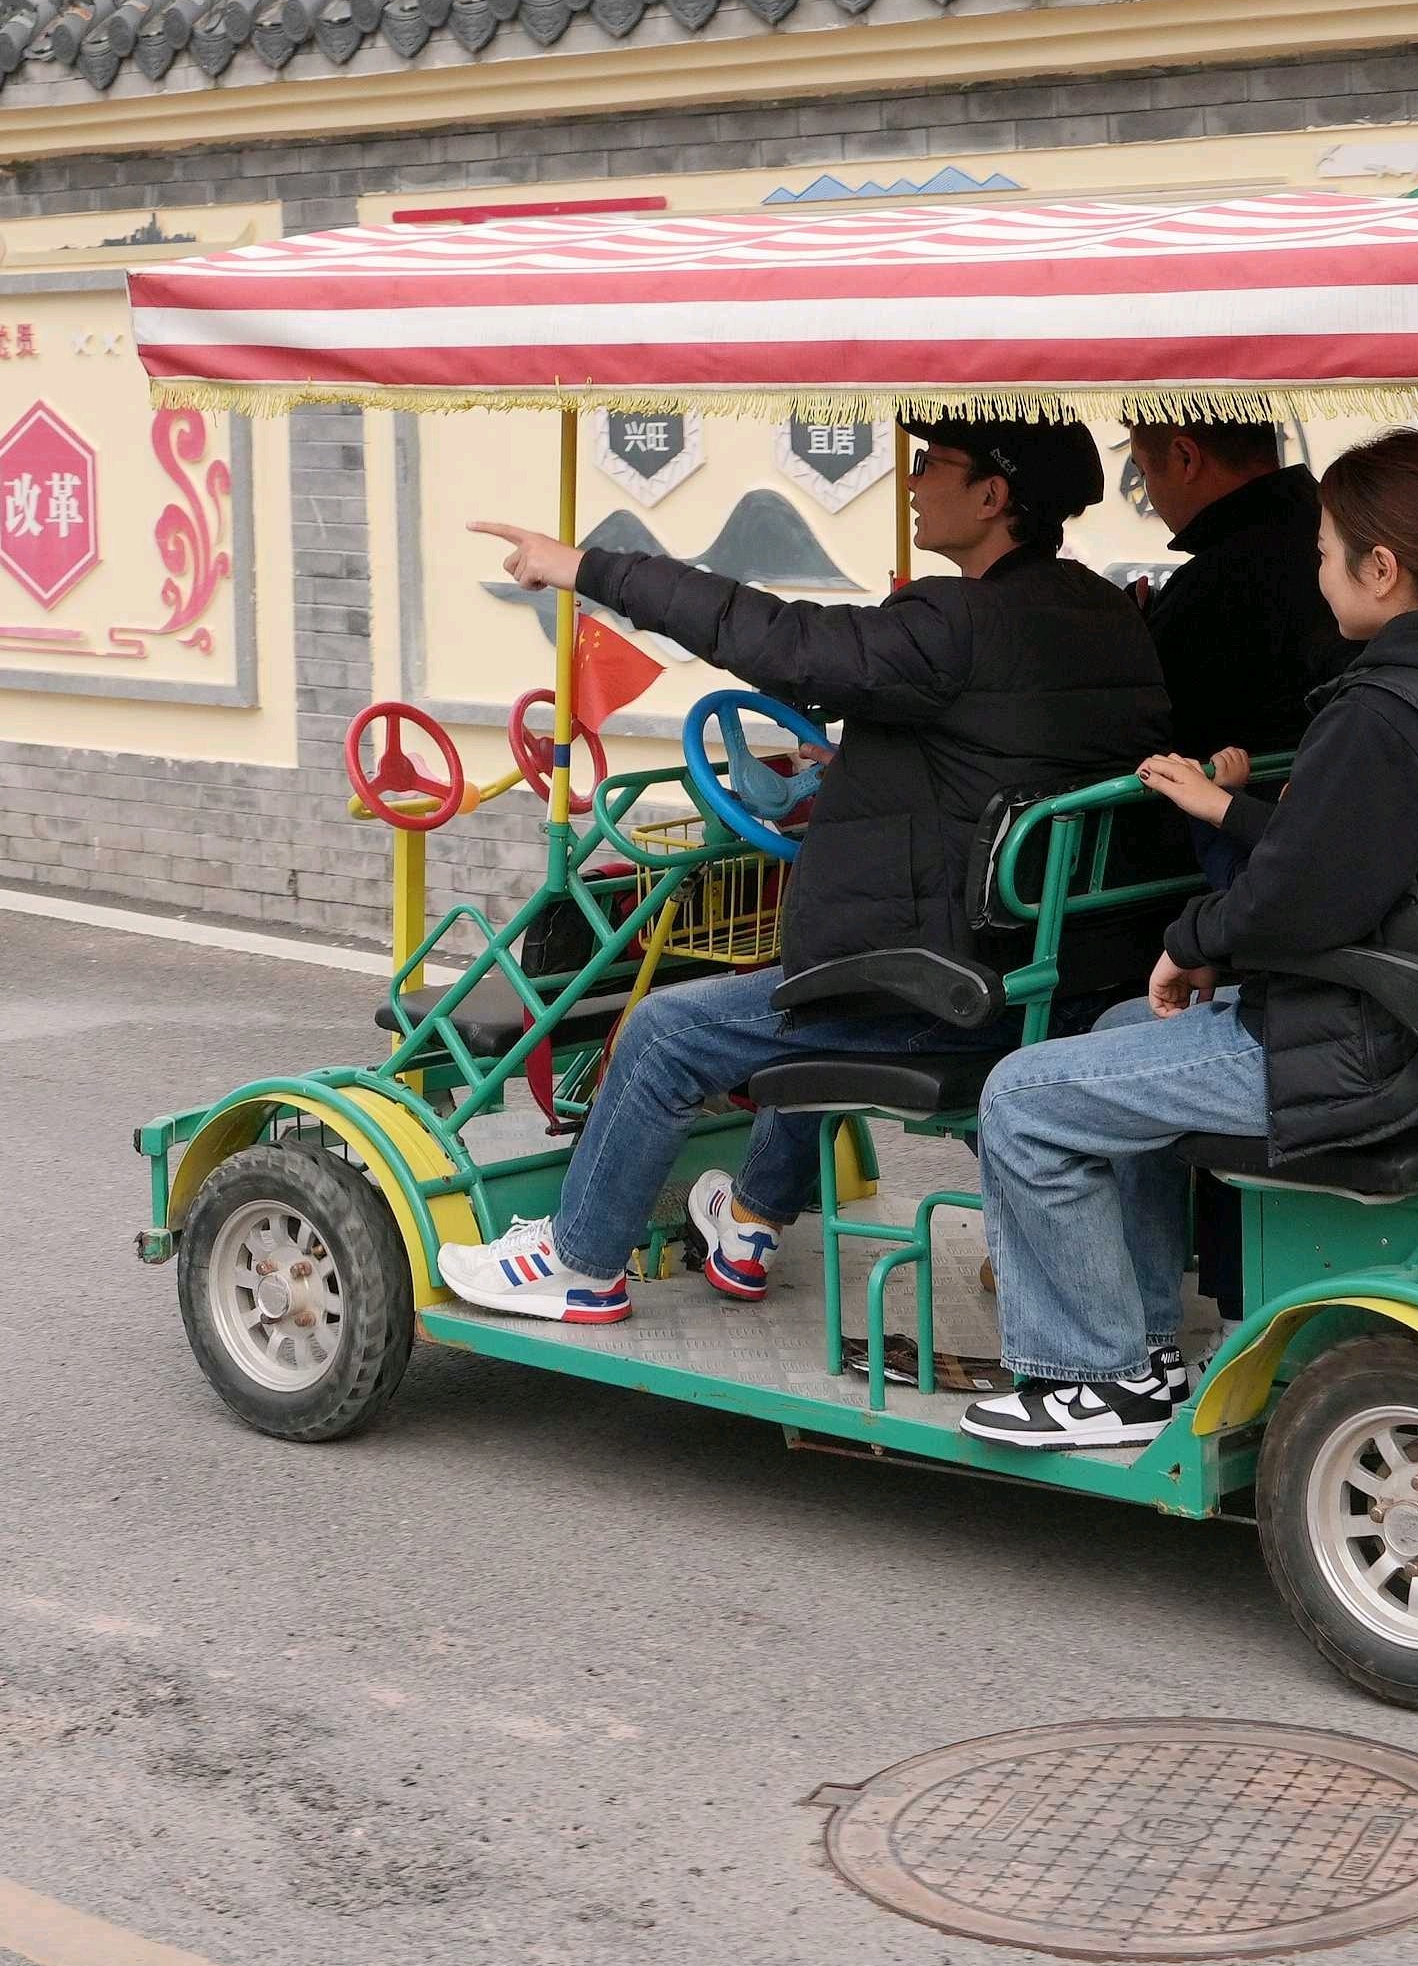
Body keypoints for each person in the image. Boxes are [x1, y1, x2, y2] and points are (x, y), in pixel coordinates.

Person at [956, 432, 1418, 1449]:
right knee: (1120, 1036)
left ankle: (1089, 1376)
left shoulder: (1386, 709)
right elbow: (1369, 852)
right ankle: (1137, 1349)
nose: (1315, 573)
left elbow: (1305, 900)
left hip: (1363, 1043)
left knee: (1023, 1094)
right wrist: (1233, 817)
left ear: (1382, 567)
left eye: (1322, 551)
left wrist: (1194, 935)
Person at [437, 416, 1171, 1323]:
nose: (912, 483)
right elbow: (995, 748)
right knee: (798, 993)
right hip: (1058, 971)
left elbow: (782, 640)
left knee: (672, 1028)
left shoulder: (957, 622)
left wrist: (591, 569)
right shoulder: (1098, 614)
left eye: (931, 466)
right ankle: (747, 1226)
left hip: (954, 990)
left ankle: (579, 1262)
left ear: (994, 497)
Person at [1123, 419, 1353, 883]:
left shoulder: (1216, 582)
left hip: (1253, 858)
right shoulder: (1319, 527)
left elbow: (1152, 731)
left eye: (1146, 471)